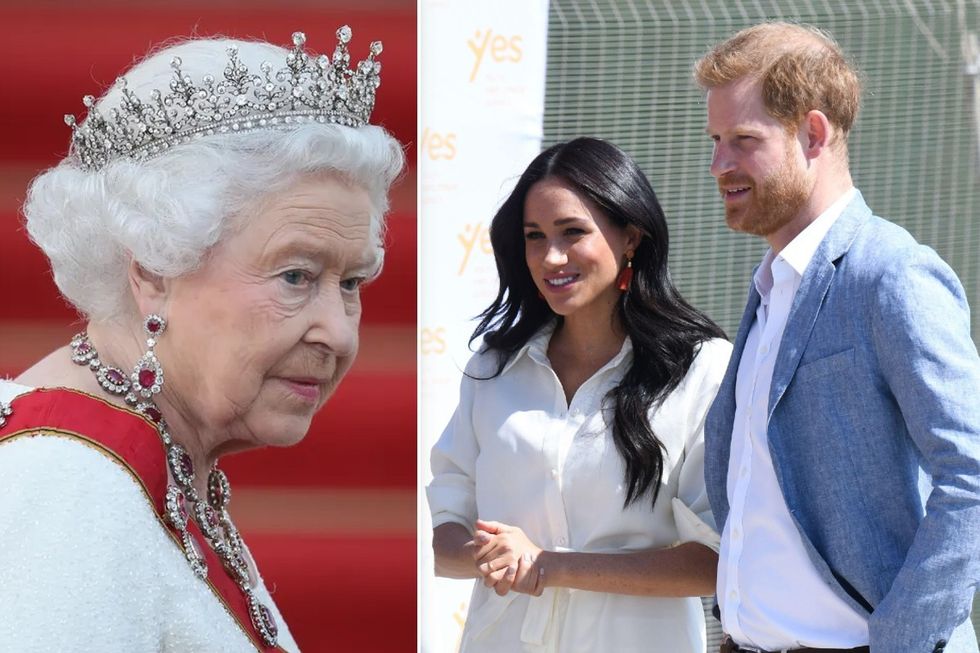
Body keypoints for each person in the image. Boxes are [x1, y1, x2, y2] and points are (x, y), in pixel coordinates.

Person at [0, 27, 403, 652]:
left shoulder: (155, 467)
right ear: (153, 270)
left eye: (351, 282)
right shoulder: (67, 484)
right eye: (296, 276)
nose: (338, 331)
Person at [695, 22, 980, 653]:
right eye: (715, 140)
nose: (718, 164)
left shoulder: (892, 274)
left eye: (743, 140)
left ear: (813, 134)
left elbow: (973, 473)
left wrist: (902, 642)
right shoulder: (771, 287)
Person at [427, 137, 732, 652]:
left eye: (573, 232)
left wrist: (548, 566)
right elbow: (446, 534)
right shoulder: (493, 369)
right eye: (534, 236)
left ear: (631, 237)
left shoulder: (701, 369)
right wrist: (494, 557)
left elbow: (716, 564)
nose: (551, 257)